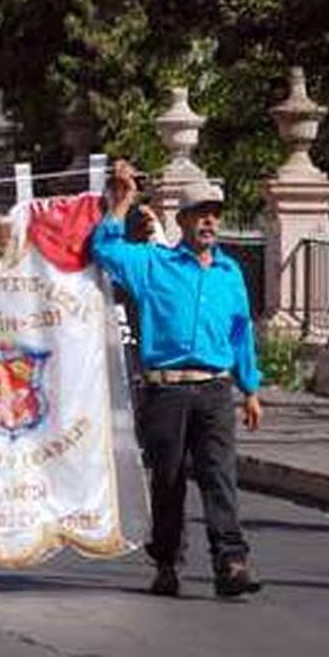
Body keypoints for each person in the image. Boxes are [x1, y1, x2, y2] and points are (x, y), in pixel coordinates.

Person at [90, 160, 263, 598]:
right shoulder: (155, 264)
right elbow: (103, 250)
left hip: (216, 389)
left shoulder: (230, 273)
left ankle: (231, 561)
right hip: (166, 390)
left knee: (219, 476)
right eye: (200, 213)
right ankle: (166, 562)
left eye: (214, 214)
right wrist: (122, 201)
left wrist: (251, 389)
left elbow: (241, 331)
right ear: (181, 221)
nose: (209, 221)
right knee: (167, 480)